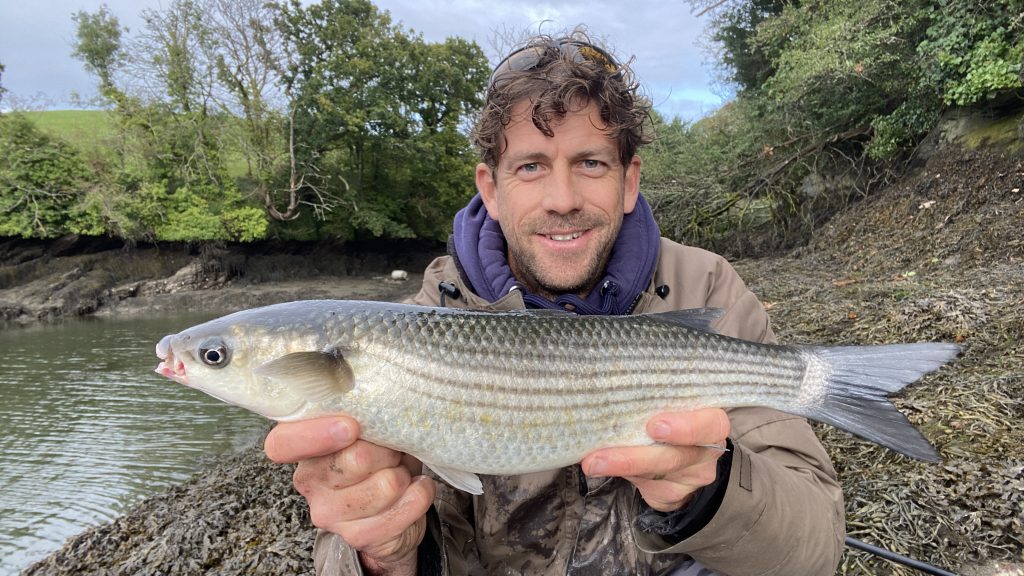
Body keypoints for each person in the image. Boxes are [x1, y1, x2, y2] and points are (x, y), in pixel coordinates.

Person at [264, 29, 845, 576]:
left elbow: (817, 548)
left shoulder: (708, 287)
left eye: (590, 163)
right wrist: (382, 555)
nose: (561, 199)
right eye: (530, 167)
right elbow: (347, 531)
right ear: (491, 189)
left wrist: (710, 491)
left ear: (629, 180)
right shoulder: (416, 324)